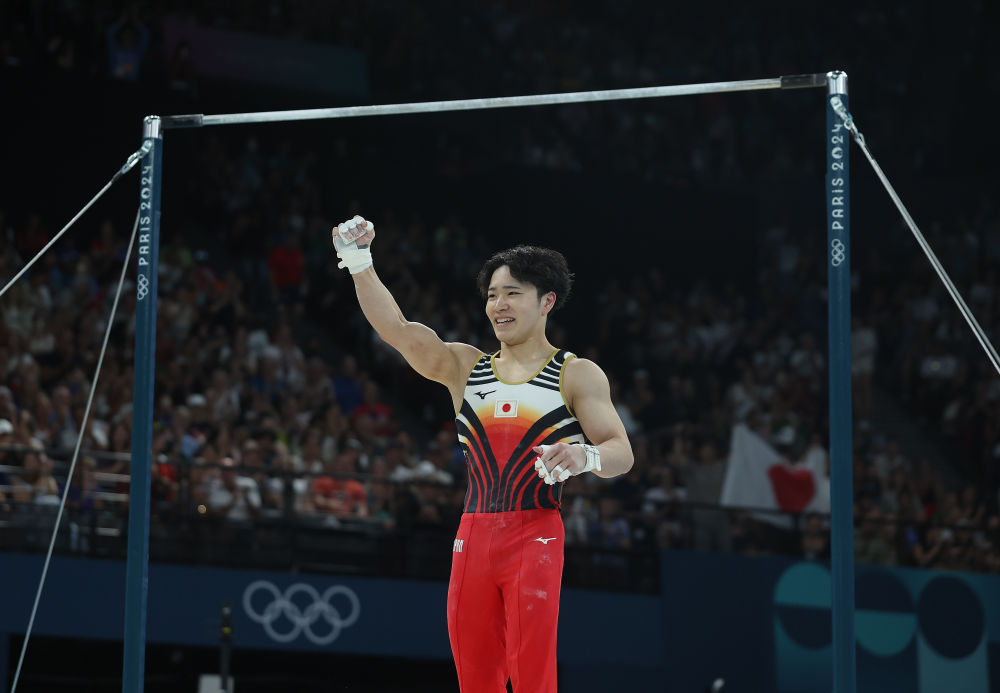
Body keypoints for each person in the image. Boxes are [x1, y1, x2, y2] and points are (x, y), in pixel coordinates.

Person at [332, 215, 634, 692]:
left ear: (547, 301)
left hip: (535, 533)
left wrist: (586, 456)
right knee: (474, 679)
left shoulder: (575, 374)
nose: (499, 305)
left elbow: (621, 451)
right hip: (471, 537)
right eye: (492, 295)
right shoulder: (464, 368)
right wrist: (358, 261)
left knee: (532, 674)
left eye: (512, 293)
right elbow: (397, 329)